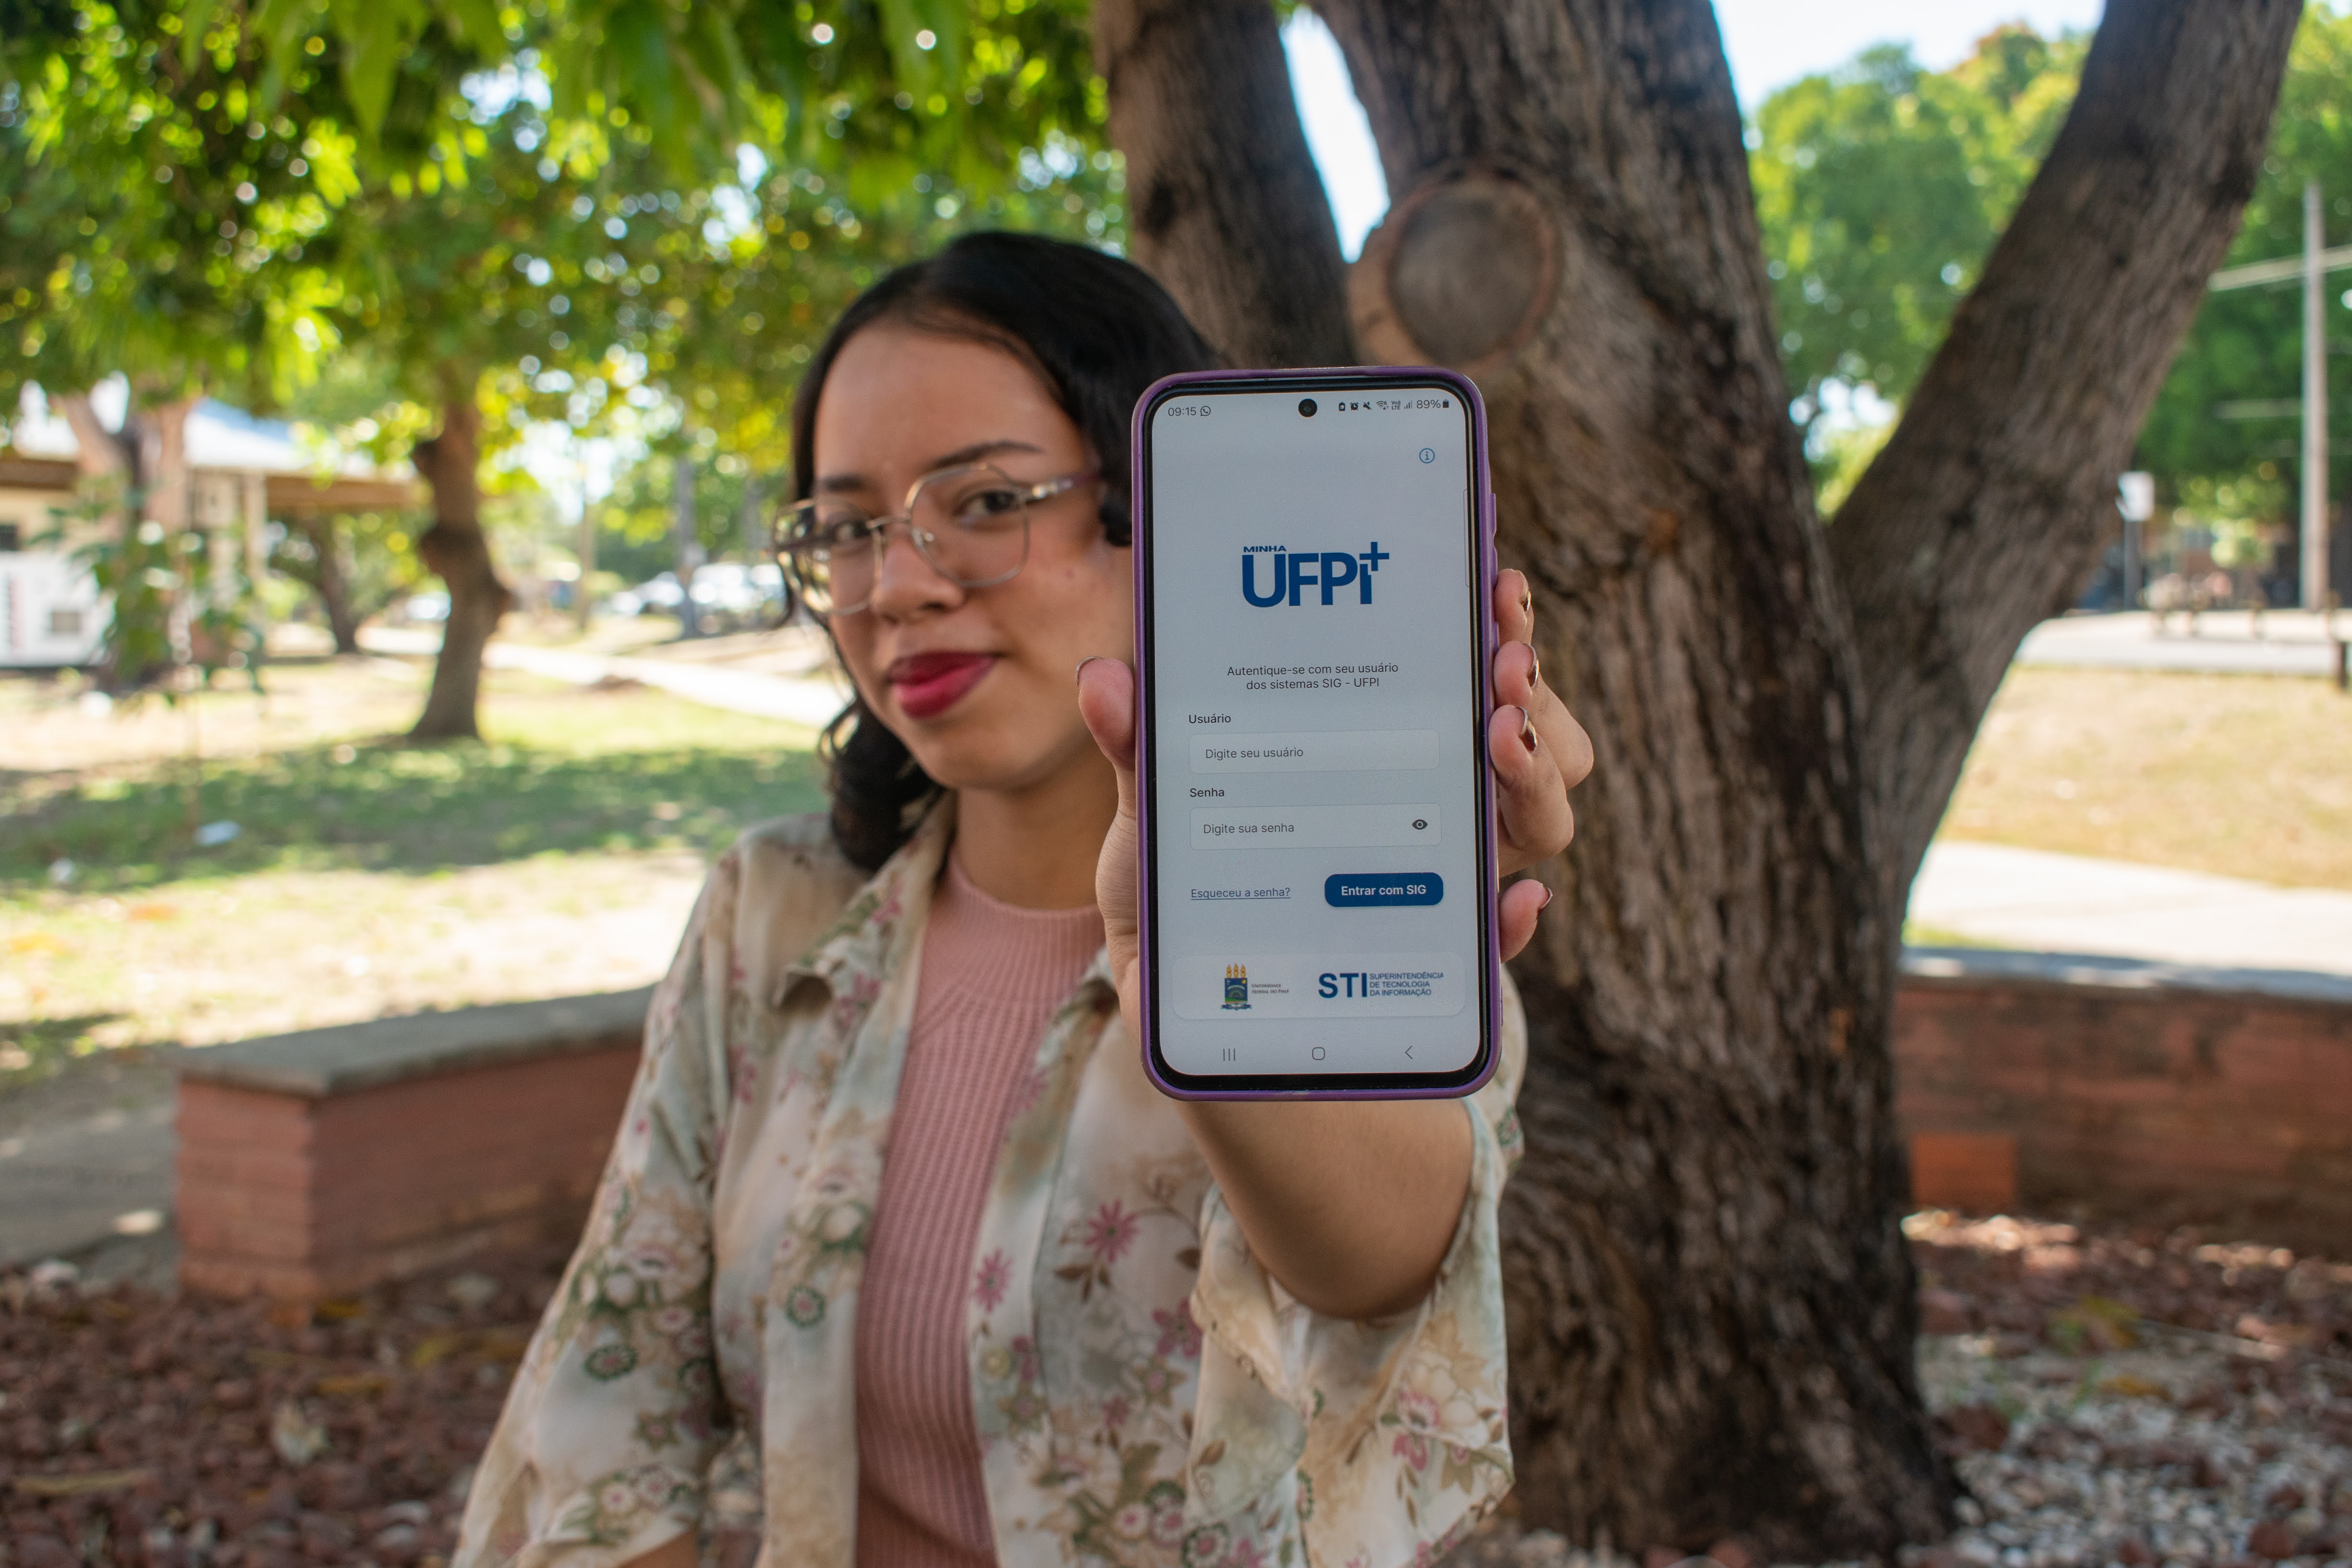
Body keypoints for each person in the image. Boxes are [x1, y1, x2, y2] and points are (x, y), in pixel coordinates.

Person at [454, 232, 1591, 1568]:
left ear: (1165, 517)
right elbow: (607, 1438)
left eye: (986, 501)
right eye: (847, 529)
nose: (898, 585)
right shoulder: (768, 920)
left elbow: (1385, 1269)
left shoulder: (1356, 943)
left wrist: (1203, 972)